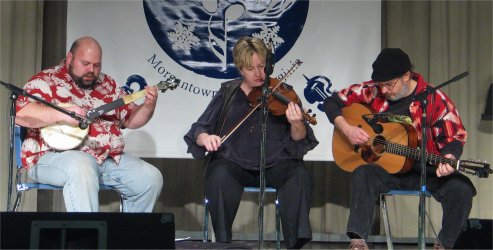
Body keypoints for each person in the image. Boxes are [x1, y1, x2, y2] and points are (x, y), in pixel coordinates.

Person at [323, 48, 476, 250]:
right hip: (387, 170)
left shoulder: (433, 98)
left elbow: (453, 135)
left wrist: (450, 156)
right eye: (381, 84)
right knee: (362, 174)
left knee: (462, 189)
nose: (384, 90)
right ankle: (358, 242)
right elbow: (331, 101)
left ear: (406, 76)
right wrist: (347, 129)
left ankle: (444, 245)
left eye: (389, 84)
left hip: (426, 169)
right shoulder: (374, 90)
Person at [184, 36, 318, 249]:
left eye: (262, 66)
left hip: (275, 164)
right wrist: (206, 138)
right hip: (235, 164)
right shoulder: (228, 92)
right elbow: (200, 128)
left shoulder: (282, 92)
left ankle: (295, 243)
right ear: (239, 69)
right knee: (218, 173)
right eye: (250, 68)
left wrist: (296, 124)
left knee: (299, 174)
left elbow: (299, 140)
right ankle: (223, 242)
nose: (259, 74)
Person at [15, 36, 163, 212]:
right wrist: (62, 114)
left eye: (96, 65)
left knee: (150, 178)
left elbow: (130, 120)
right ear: (70, 58)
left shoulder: (108, 84)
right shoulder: (46, 81)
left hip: (104, 159)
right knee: (82, 165)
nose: (91, 70)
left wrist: (148, 106)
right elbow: (21, 114)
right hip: (52, 158)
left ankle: (128, 238)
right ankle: (86, 238)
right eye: (85, 63)